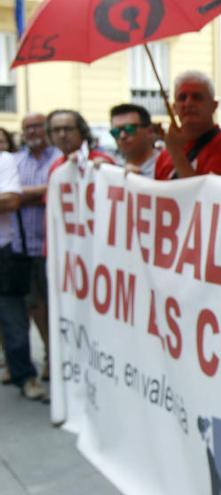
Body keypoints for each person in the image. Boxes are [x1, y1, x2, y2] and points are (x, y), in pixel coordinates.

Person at [12, 114, 62, 382]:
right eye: (26, 127)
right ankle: (49, 355)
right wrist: (43, 190)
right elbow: (11, 195)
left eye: (36, 126)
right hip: (25, 247)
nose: (32, 131)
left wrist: (25, 194)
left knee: (58, 304)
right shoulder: (15, 161)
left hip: (55, 246)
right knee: (36, 306)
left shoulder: (58, 158)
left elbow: (60, 187)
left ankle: (60, 355)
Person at [0, 151, 46, 400]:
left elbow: (10, 201)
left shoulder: (4, 160)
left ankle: (25, 376)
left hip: (3, 253)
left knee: (13, 319)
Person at [153, 71, 221, 180]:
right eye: (182, 98)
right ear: (174, 108)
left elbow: (205, 195)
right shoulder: (164, 156)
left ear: (214, 106)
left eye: (197, 97)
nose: (188, 103)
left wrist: (177, 154)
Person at [46, 109, 116, 177]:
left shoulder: (102, 162)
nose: (62, 135)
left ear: (82, 131)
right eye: (56, 130)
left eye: (68, 129)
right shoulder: (56, 167)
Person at [109, 103, 160, 177]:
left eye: (129, 129)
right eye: (115, 132)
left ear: (150, 131)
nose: (122, 136)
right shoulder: (112, 166)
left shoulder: (167, 166)